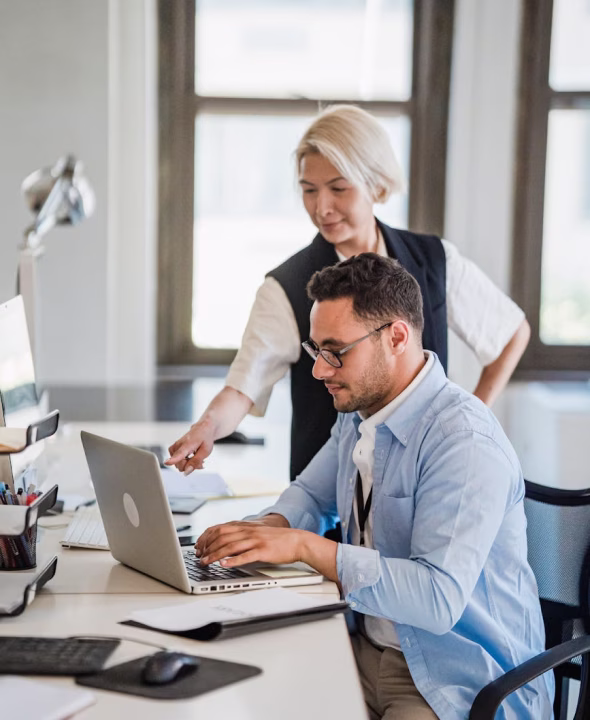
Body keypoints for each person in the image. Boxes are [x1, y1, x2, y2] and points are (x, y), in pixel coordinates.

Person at [194, 254, 553, 720]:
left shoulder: (462, 441)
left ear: (397, 337)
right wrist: (265, 530)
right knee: (243, 693)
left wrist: (302, 546)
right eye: (315, 350)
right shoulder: (362, 413)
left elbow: (437, 599)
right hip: (366, 648)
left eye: (336, 351)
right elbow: (311, 495)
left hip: (459, 677)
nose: (320, 371)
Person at [166, 105, 530, 481]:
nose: (322, 208)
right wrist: (207, 428)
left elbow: (511, 332)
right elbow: (243, 388)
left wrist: (468, 420)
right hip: (324, 499)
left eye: (338, 188)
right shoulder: (286, 287)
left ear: (376, 184)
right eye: (309, 191)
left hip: (423, 483)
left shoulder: (434, 261)